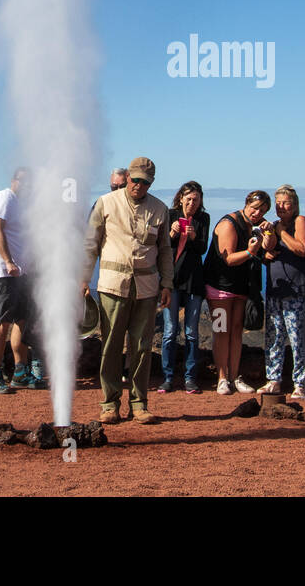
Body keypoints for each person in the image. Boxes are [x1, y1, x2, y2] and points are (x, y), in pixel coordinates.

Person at [82, 157, 173, 424]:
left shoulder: (160, 209)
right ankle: (110, 403)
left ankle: (139, 403)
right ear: (127, 177)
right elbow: (90, 244)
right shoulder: (105, 204)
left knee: (142, 347)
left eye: (145, 182)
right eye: (135, 180)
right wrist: (82, 279)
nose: (139, 186)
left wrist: (167, 284)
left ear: (151, 183)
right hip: (112, 286)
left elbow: (165, 250)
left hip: (146, 289)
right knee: (110, 345)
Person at [204, 190, 276, 395]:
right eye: (254, 208)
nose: (257, 213)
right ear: (246, 204)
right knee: (221, 330)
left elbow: (269, 250)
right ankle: (221, 378)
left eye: (262, 210)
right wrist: (249, 252)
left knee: (236, 331)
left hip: (242, 287)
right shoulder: (229, 223)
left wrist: (269, 233)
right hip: (219, 287)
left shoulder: (258, 227)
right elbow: (228, 258)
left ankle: (235, 377)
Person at [0, 168, 42, 392]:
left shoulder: (25, 204)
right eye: (23, 180)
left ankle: (20, 372)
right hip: (1, 273)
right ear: (14, 180)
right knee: (1, 324)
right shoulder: (4, 198)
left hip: (22, 273)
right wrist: (8, 261)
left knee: (22, 320)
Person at [257, 185, 305, 399]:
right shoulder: (274, 225)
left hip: (296, 290)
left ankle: (300, 383)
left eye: (286, 202)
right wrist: (269, 238)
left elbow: (302, 249)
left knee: (298, 338)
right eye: (278, 202)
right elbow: (268, 249)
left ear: (295, 204)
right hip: (275, 289)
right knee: (274, 336)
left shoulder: (300, 221)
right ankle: (274, 379)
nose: (281, 206)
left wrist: (281, 232)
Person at [160, 181, 210, 394]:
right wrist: (171, 234)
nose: (192, 203)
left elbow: (202, 248)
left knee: (191, 332)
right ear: (180, 198)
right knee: (170, 331)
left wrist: (193, 236)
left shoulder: (203, 219)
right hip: (171, 282)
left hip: (193, 282)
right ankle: (167, 377)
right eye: (188, 199)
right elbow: (161, 247)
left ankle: (190, 378)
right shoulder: (169, 215)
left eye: (196, 200)